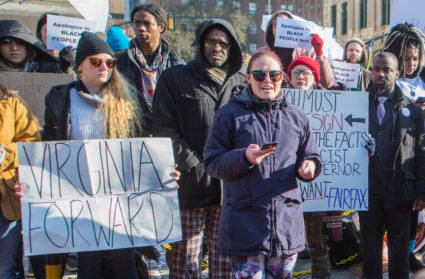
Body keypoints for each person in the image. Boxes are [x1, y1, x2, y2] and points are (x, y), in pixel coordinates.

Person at [202, 50, 321, 278]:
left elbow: (312, 155)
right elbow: (212, 163)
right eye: (259, 75)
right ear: (248, 78)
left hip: (285, 226)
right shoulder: (228, 114)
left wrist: (310, 167)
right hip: (245, 226)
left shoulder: (296, 116)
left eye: (274, 75)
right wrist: (244, 157)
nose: (267, 81)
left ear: (282, 78)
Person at [42, 31, 142, 279]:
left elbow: (143, 146)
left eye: (110, 62)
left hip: (117, 195)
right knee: (88, 264)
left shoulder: (126, 102)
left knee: (125, 262)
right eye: (96, 62)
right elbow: (48, 146)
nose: (104, 67)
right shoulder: (59, 98)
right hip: (80, 194)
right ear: (80, 66)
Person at [152, 19, 245, 278]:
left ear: (231, 47)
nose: (217, 47)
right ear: (201, 43)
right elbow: (164, 128)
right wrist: (194, 165)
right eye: (211, 41)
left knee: (224, 258)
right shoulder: (175, 79)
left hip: (230, 187)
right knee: (185, 261)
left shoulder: (242, 82)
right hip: (190, 186)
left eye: (223, 43)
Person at [359, 52, 425, 279]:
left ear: (397, 73)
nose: (380, 74)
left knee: (398, 256)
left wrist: (421, 192)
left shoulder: (413, 111)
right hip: (367, 192)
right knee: (370, 252)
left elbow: (421, 154)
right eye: (376, 69)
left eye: (386, 70)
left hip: (400, 191)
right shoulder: (355, 106)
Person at [383, 23, 425, 272]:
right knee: (406, 210)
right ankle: (403, 254)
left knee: (418, 209)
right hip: (399, 156)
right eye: (407, 58)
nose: (411, 63)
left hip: (420, 151)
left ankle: (412, 252)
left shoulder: (423, 80)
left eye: (416, 58)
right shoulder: (390, 81)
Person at [285, 56, 332, 279]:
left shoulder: (330, 104)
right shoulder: (277, 101)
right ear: (289, 76)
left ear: (315, 78)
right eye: (297, 72)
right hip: (286, 183)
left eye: (307, 73)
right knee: (285, 239)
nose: (302, 77)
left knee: (317, 239)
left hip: (316, 185)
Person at [116, 3, 183, 135]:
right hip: (132, 135)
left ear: (161, 27)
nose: (141, 28)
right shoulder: (119, 63)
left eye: (147, 24)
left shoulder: (176, 63)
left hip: (166, 135)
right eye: (137, 23)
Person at [0, 83, 41, 279]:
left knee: (6, 268)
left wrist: (4, 153)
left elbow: (31, 144)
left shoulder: (12, 104)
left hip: (5, 198)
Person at [263, 10, 334, 89]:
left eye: (285, 24)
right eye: (276, 24)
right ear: (271, 27)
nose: (280, 27)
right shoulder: (262, 54)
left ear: (294, 26)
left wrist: (319, 53)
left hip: (301, 99)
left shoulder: (307, 52)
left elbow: (327, 83)